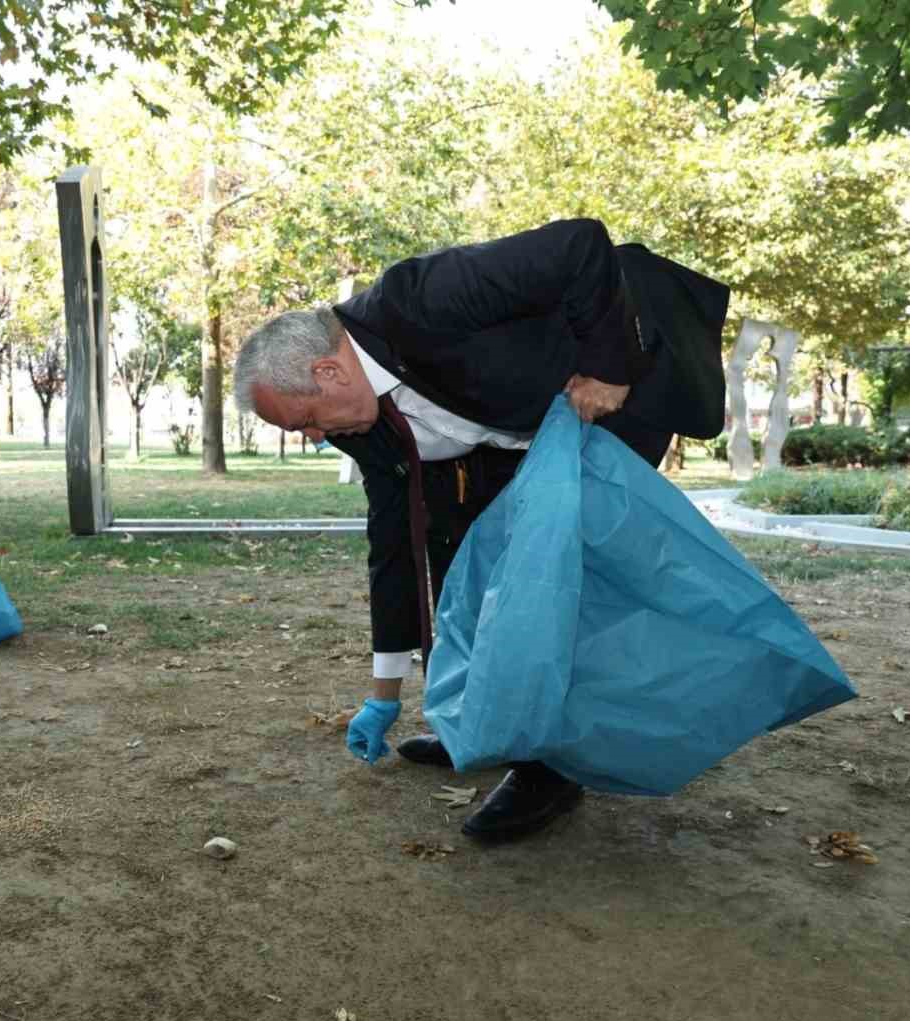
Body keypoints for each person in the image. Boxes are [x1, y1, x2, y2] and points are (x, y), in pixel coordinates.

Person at [233, 219, 730, 843]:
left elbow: (580, 246)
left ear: (329, 373)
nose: (310, 438)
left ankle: (549, 768)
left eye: (303, 420)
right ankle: (484, 719)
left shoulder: (420, 298)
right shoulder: (358, 422)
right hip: (521, 426)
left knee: (559, 574)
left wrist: (608, 367)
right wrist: (383, 690)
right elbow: (397, 542)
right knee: (468, 557)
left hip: (625, 369)